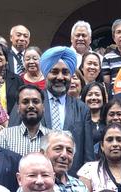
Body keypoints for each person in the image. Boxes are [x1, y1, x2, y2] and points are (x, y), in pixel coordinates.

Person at [31, 46, 95, 174]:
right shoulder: (30, 103)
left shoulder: (82, 109)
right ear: (45, 74)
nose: (60, 77)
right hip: (37, 178)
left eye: (65, 72)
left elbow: (88, 154)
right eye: (54, 71)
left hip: (71, 180)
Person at [15, 131, 91, 192]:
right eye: (58, 149)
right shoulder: (32, 187)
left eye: (69, 151)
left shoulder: (81, 187)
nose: (64, 155)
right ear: (42, 153)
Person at [78, 123, 121, 192]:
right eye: (110, 140)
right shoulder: (89, 170)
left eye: (119, 140)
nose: (115, 144)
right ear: (102, 146)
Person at [0, 85, 53, 157]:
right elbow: (1, 165)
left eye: (35, 101)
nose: (31, 106)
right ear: (18, 108)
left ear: (43, 107)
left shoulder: (52, 138)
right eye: (25, 102)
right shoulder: (5, 135)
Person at [0, 42, 24, 114]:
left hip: (10, 122)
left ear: (6, 59)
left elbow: (21, 103)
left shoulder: (17, 80)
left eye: (0, 54)